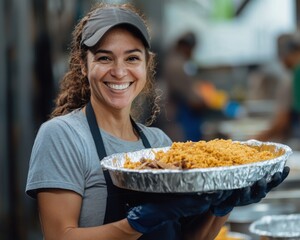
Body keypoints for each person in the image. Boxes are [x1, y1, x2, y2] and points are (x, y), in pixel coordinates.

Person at [25, 3, 290, 240]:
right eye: (104, 57)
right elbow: (60, 236)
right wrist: (136, 223)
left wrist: (223, 205)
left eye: (132, 58)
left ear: (146, 64)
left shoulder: (159, 143)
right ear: (84, 64)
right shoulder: (62, 136)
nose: (119, 71)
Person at [255, 33, 300, 144]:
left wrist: (254, 140)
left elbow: (281, 121)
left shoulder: (296, 74)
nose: (282, 61)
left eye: (283, 56)